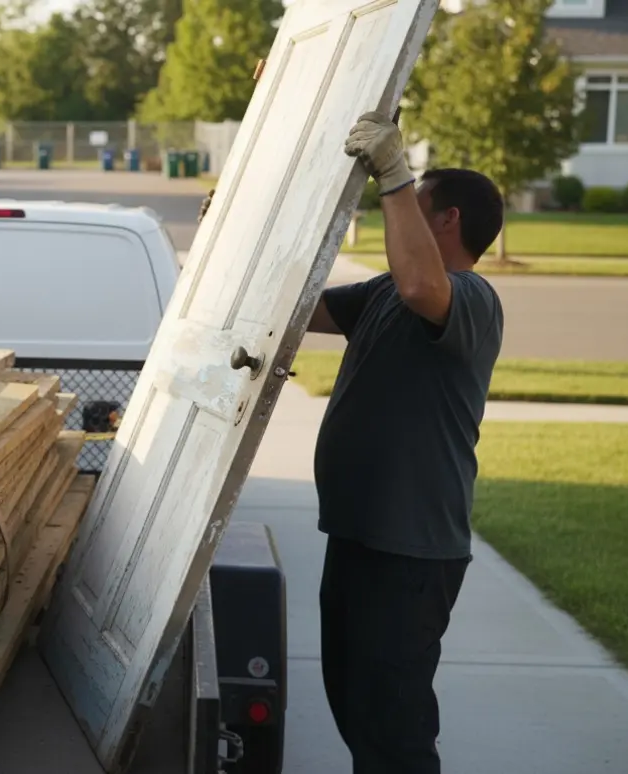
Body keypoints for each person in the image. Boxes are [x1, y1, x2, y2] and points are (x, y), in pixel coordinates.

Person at [199, 112, 505, 773]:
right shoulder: (385, 297)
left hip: (410, 554)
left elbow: (425, 284)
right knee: (357, 710)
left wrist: (392, 171)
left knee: (394, 730)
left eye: (416, 194)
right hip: (363, 539)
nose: (402, 198)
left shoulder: (473, 301)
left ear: (447, 220)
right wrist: (233, 242)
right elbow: (297, 313)